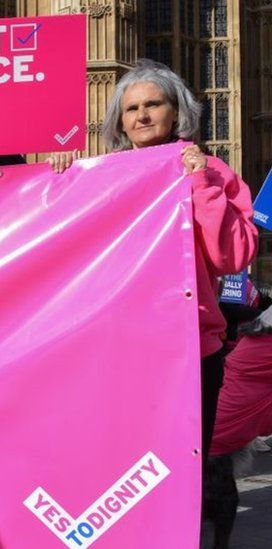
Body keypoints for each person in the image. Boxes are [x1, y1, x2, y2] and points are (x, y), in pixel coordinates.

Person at [50, 59, 258, 460]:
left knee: (181, 469)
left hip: (191, 348)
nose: (142, 115)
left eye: (153, 104)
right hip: (116, 350)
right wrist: (58, 178)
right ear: (120, 121)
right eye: (131, 109)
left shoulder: (211, 172)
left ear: (176, 111)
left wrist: (201, 185)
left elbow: (233, 256)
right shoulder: (99, 175)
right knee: (117, 463)